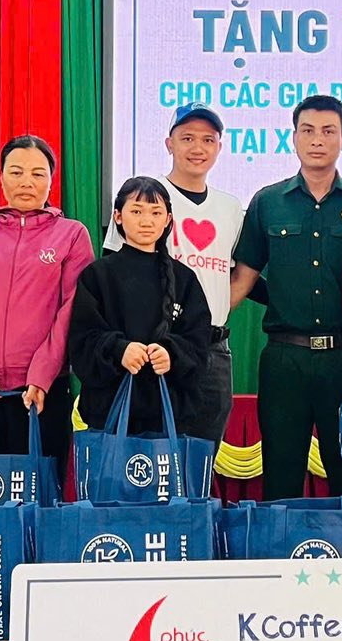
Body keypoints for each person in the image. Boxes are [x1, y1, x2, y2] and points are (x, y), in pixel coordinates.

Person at [232, 95, 342, 500]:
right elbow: (243, 279)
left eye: (328, 131)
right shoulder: (267, 202)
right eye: (308, 130)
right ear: (294, 137)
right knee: (281, 474)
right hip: (285, 359)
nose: (318, 140)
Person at [0, 135, 92, 465]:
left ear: (51, 181)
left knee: (39, 491)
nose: (27, 182)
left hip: (42, 392)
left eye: (38, 174)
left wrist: (42, 374)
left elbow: (71, 309)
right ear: (1, 178)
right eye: (16, 172)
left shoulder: (72, 235)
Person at [102, 104, 241, 444]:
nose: (198, 148)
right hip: (152, 350)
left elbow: (236, 273)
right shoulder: (146, 199)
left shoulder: (231, 208)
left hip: (211, 350)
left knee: (202, 456)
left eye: (208, 140)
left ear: (219, 148)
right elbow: (115, 274)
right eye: (187, 138)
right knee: (150, 456)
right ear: (169, 144)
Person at [71, 177, 214, 447]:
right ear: (118, 216)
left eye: (156, 213)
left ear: (168, 220)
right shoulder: (97, 275)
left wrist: (172, 354)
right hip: (109, 413)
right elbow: (82, 339)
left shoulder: (184, 278)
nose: (146, 221)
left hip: (170, 414)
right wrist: (119, 349)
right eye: (136, 211)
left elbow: (199, 341)